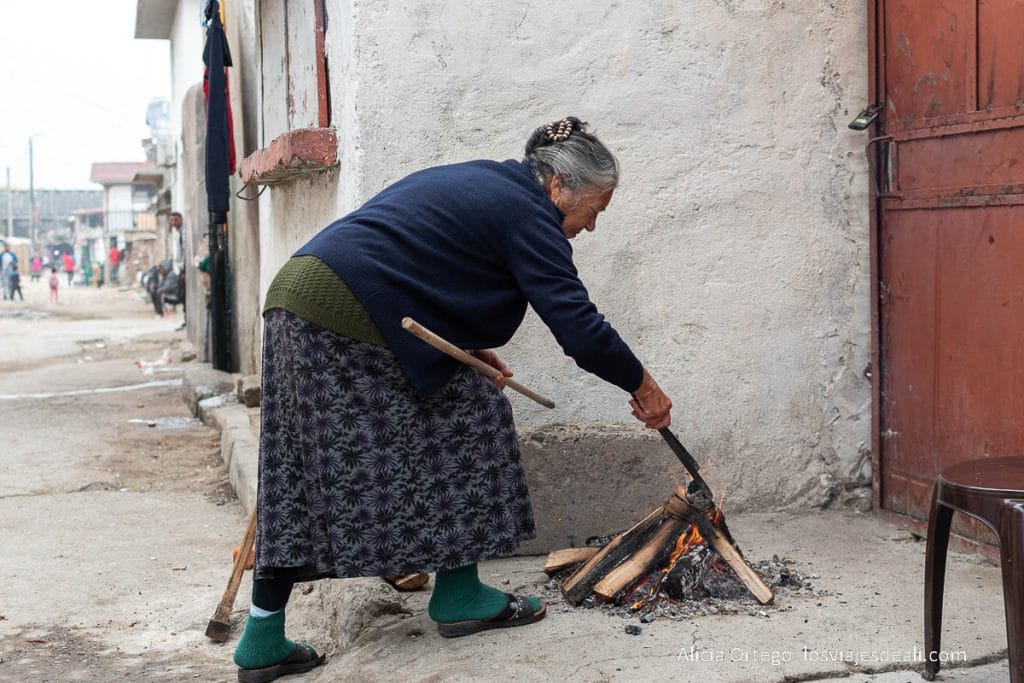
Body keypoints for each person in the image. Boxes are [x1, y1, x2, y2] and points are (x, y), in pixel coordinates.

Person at [231, 117, 672, 681]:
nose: (590, 226)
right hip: (347, 310)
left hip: (301, 295)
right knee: (475, 417)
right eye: (594, 209)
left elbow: (418, 263)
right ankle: (461, 597)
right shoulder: (530, 215)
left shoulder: (491, 183)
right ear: (559, 185)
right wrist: (642, 385)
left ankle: (262, 639)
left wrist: (462, 347)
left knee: (293, 467)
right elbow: (578, 327)